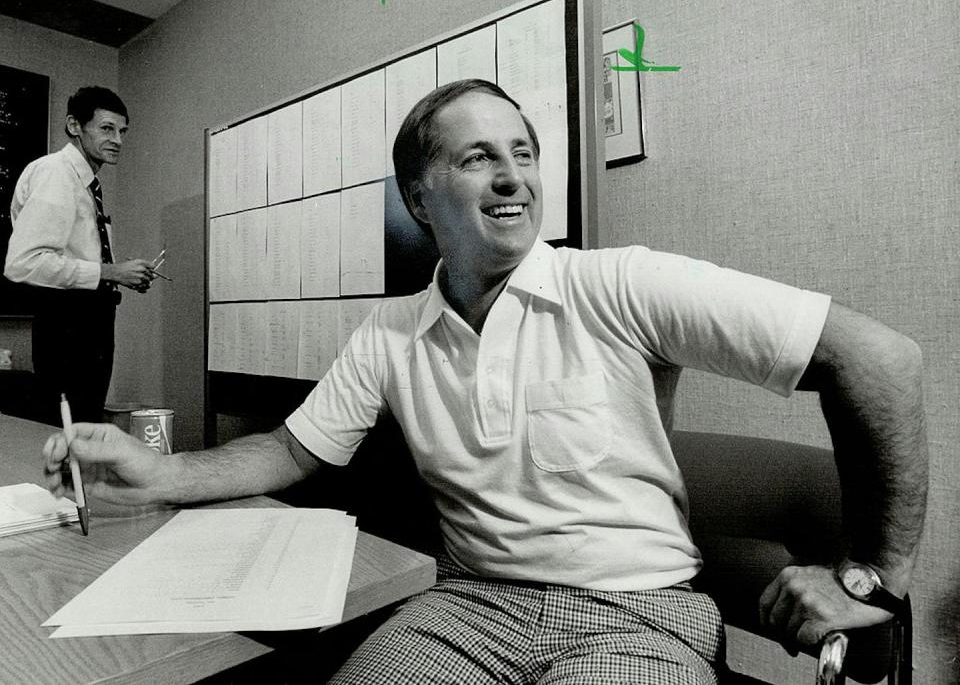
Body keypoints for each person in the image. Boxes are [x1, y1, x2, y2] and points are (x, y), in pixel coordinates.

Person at [41, 80, 927, 684]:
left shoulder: (619, 282)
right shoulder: (391, 330)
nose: (512, 179)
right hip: (463, 609)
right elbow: (288, 448)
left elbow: (879, 360)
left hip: (640, 617)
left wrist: (870, 578)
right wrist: (159, 472)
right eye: (475, 159)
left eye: (522, 154)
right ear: (419, 198)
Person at [5, 86, 158, 425]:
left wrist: (119, 276)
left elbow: (78, 252)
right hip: (69, 323)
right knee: (71, 430)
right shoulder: (56, 173)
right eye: (106, 128)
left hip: (89, 318)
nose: (117, 139)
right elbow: (23, 264)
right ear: (75, 126)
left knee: (83, 427)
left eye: (122, 131)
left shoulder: (83, 181)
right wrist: (112, 273)